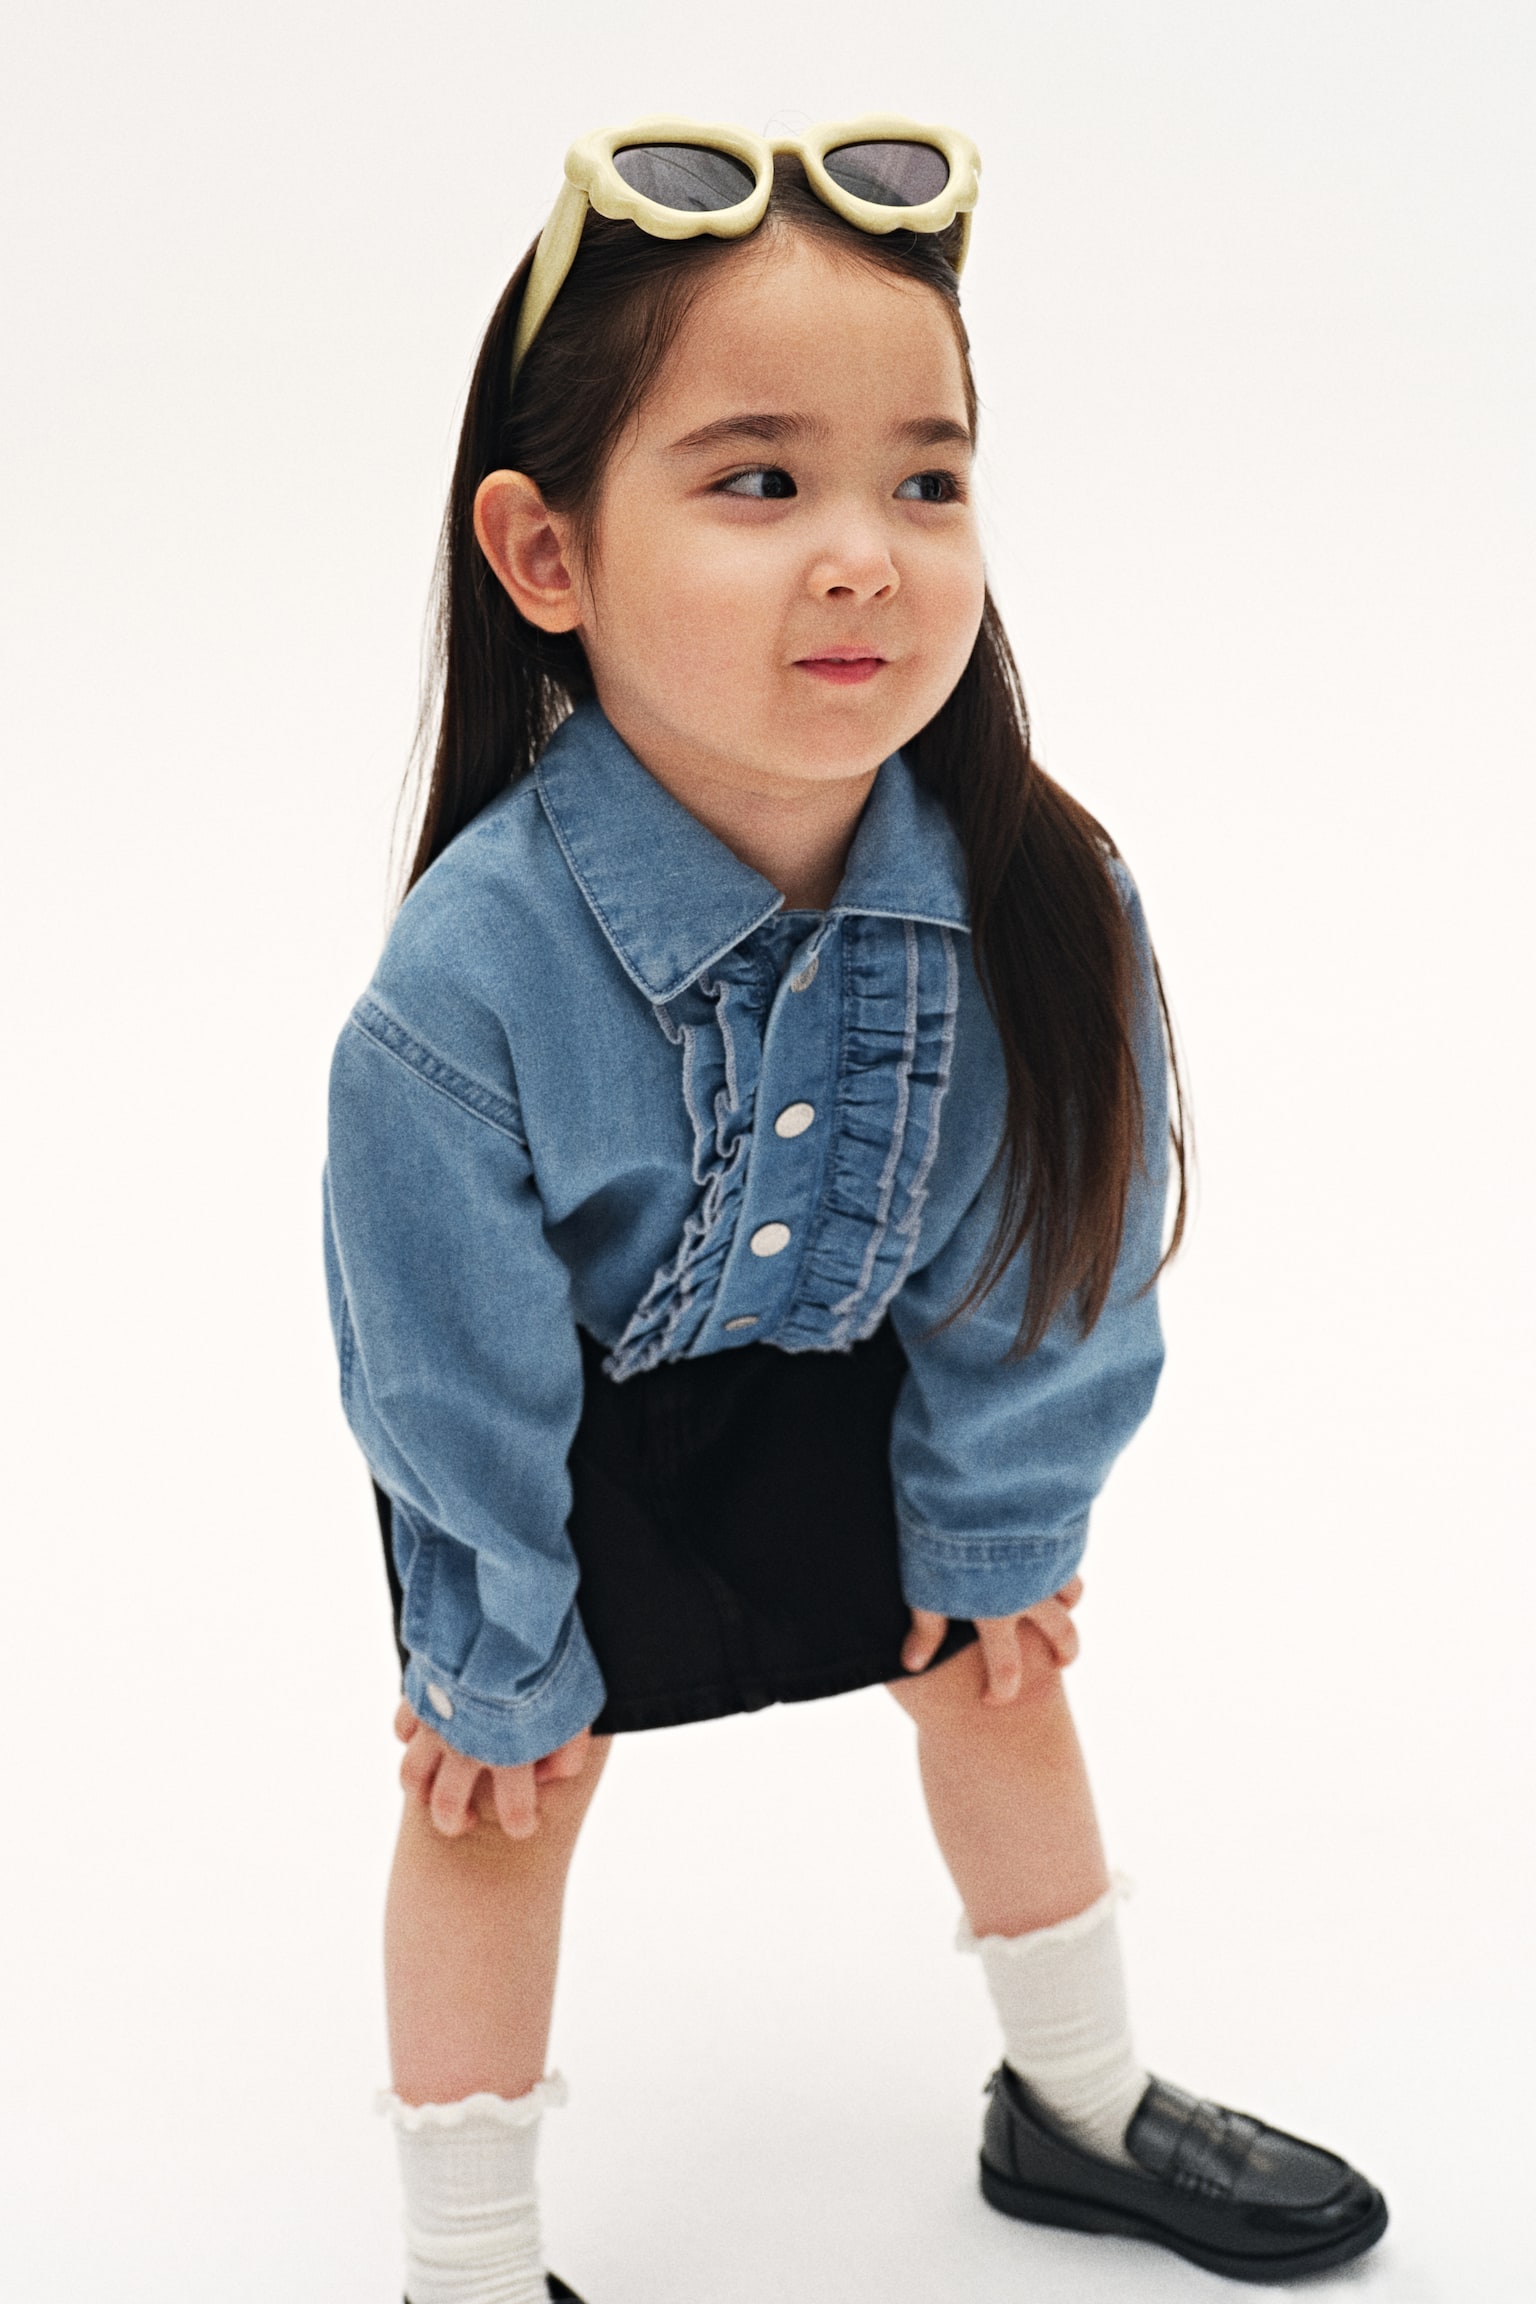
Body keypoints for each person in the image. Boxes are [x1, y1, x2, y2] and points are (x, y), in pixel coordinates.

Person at [322, 119, 1388, 2304]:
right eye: (756, 480)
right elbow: (441, 1352)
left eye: (926, 480)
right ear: (544, 551)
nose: (866, 558)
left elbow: (1049, 1251)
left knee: (994, 1682)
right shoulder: (467, 981)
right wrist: (495, 1642)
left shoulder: (1039, 897)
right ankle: (468, 2262)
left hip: (868, 1355)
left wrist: (1002, 1532)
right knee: (500, 1796)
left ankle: (1076, 2102)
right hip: (557, 1416)